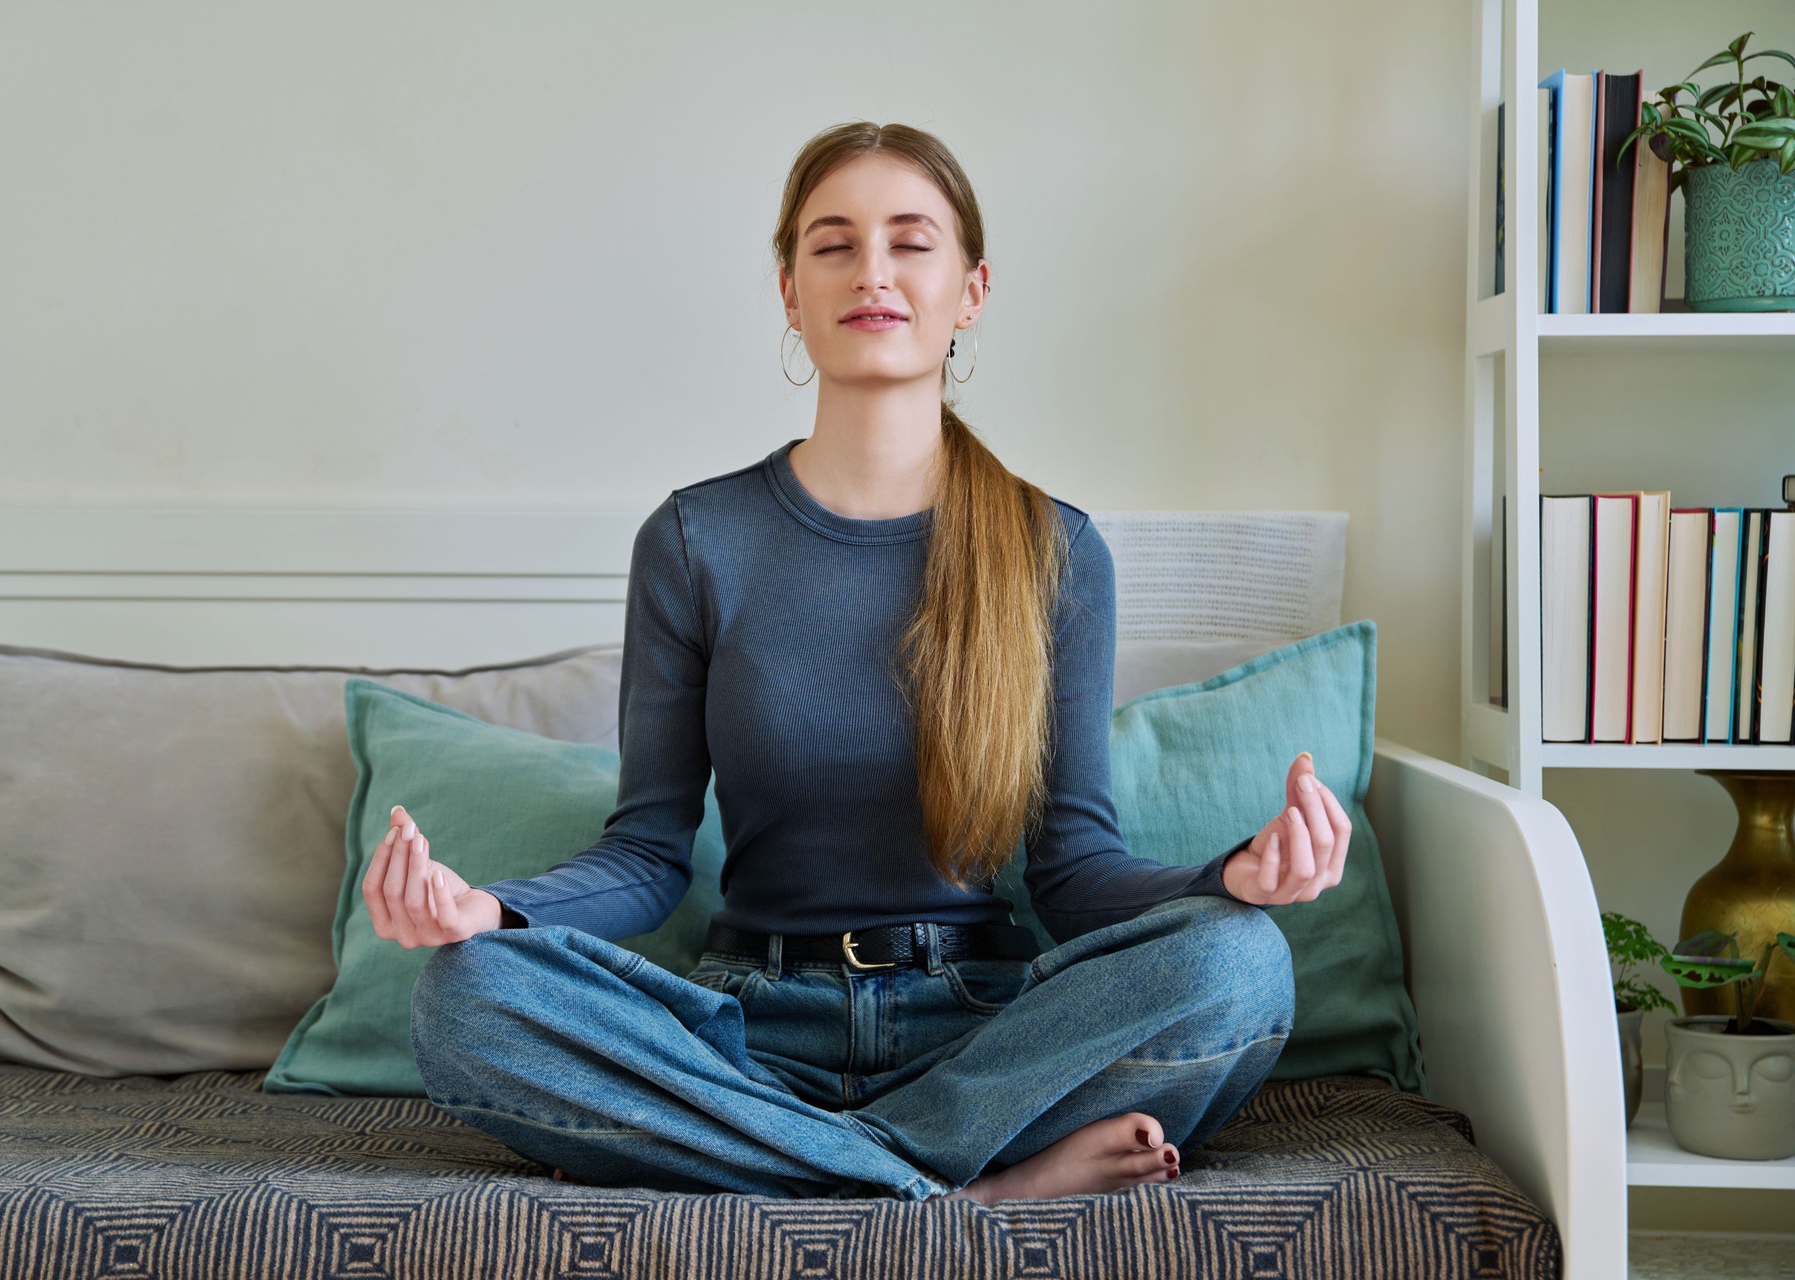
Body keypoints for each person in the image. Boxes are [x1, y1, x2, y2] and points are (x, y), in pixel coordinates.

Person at [364, 121, 1350, 1206]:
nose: (871, 270)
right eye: (833, 244)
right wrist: (486, 910)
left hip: (986, 1030)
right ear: (790, 290)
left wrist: (1230, 877)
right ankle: (973, 1188)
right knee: (468, 996)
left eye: (909, 241)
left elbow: (1072, 873)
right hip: (748, 1027)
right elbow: (647, 853)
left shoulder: (1054, 550)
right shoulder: (696, 539)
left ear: (970, 290)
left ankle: (770, 1162)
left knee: (1241, 963)